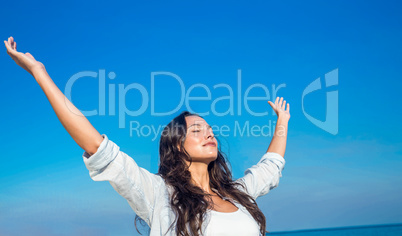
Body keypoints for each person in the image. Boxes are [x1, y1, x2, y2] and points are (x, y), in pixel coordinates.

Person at [4, 36, 290, 236]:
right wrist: (39, 73)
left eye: (211, 130)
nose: (209, 134)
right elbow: (96, 145)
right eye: (197, 130)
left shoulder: (238, 194)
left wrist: (283, 122)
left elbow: (270, 166)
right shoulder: (159, 196)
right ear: (176, 146)